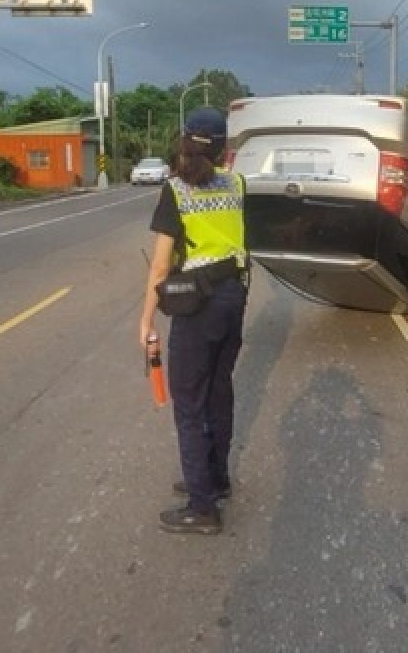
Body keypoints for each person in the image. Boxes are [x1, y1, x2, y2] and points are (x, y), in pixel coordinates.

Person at [139, 107, 249, 535]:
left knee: (189, 403)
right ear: (222, 148)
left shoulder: (176, 191)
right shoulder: (238, 185)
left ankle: (202, 507)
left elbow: (160, 268)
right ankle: (214, 479)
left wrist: (146, 322)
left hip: (196, 304)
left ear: (183, 142)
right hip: (232, 297)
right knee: (219, 392)